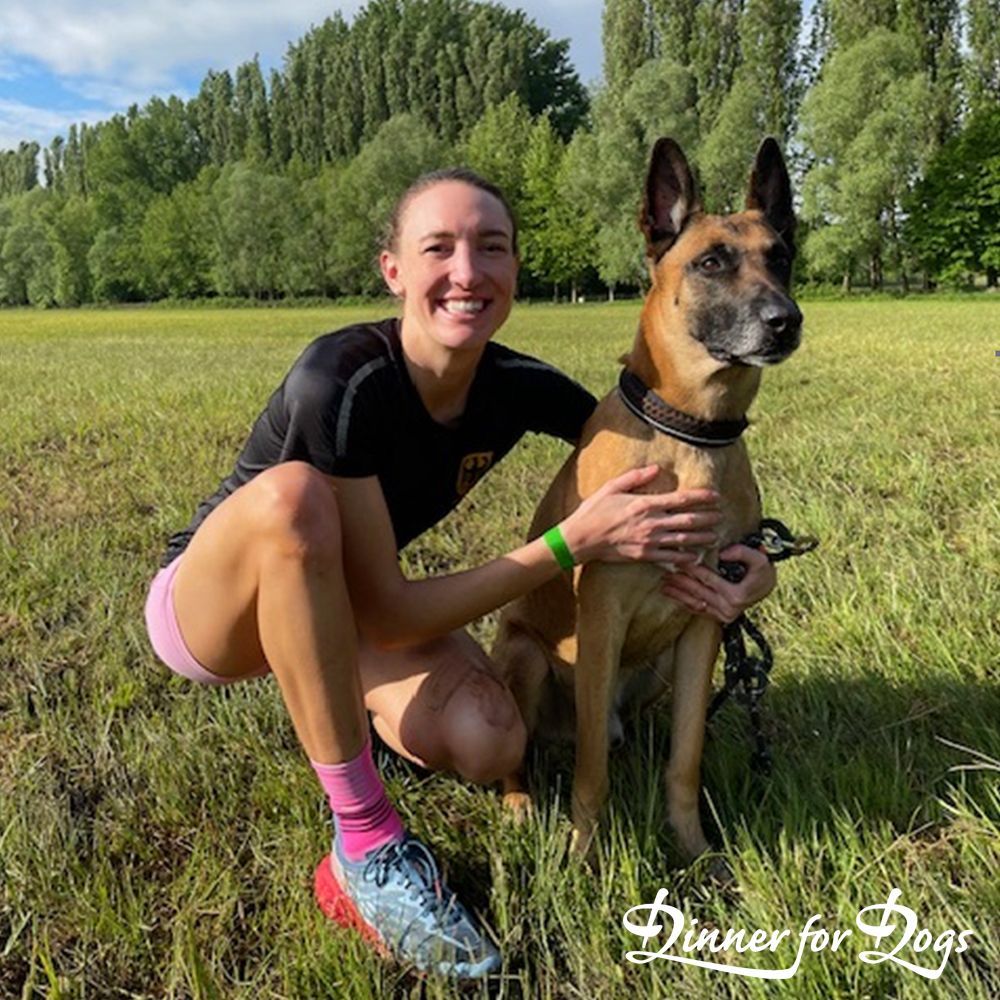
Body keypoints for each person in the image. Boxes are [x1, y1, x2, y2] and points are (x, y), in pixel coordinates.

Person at [143, 168, 776, 979]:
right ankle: (365, 847)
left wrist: (747, 560)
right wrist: (566, 546)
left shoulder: (514, 385)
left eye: (493, 247)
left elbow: (646, 429)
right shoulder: (337, 377)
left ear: (515, 271)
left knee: (491, 739)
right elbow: (398, 615)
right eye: (438, 247)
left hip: (347, 608)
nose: (468, 271)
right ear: (393, 270)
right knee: (292, 501)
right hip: (212, 611)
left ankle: (342, 696)